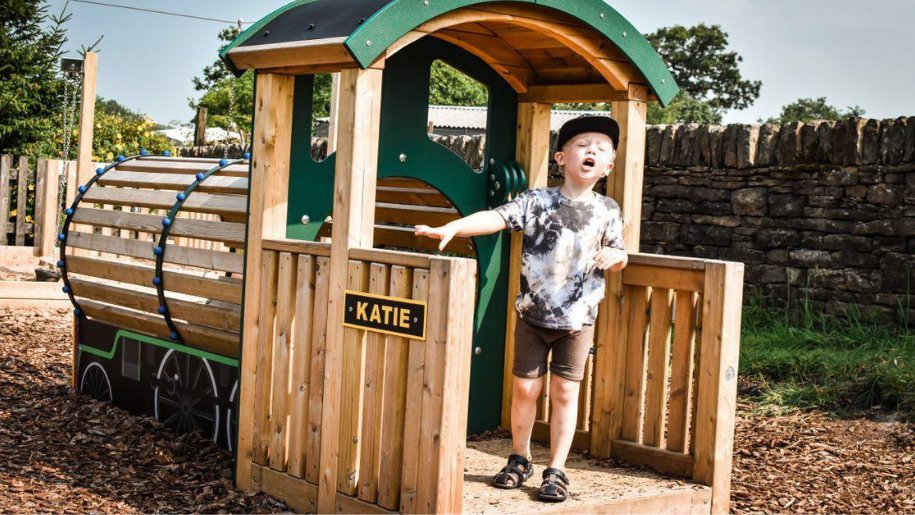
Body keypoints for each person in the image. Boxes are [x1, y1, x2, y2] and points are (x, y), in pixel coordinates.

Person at [414, 116, 628, 502]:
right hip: (533, 315)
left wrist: (616, 256)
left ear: (609, 166)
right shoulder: (537, 201)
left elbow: (619, 253)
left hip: (578, 320)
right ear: (562, 158)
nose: (592, 150)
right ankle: (519, 457)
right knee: (525, 389)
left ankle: (557, 469)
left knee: (565, 392)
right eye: (583, 144)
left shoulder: (608, 210)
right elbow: (496, 218)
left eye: (600, 147)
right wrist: (454, 227)